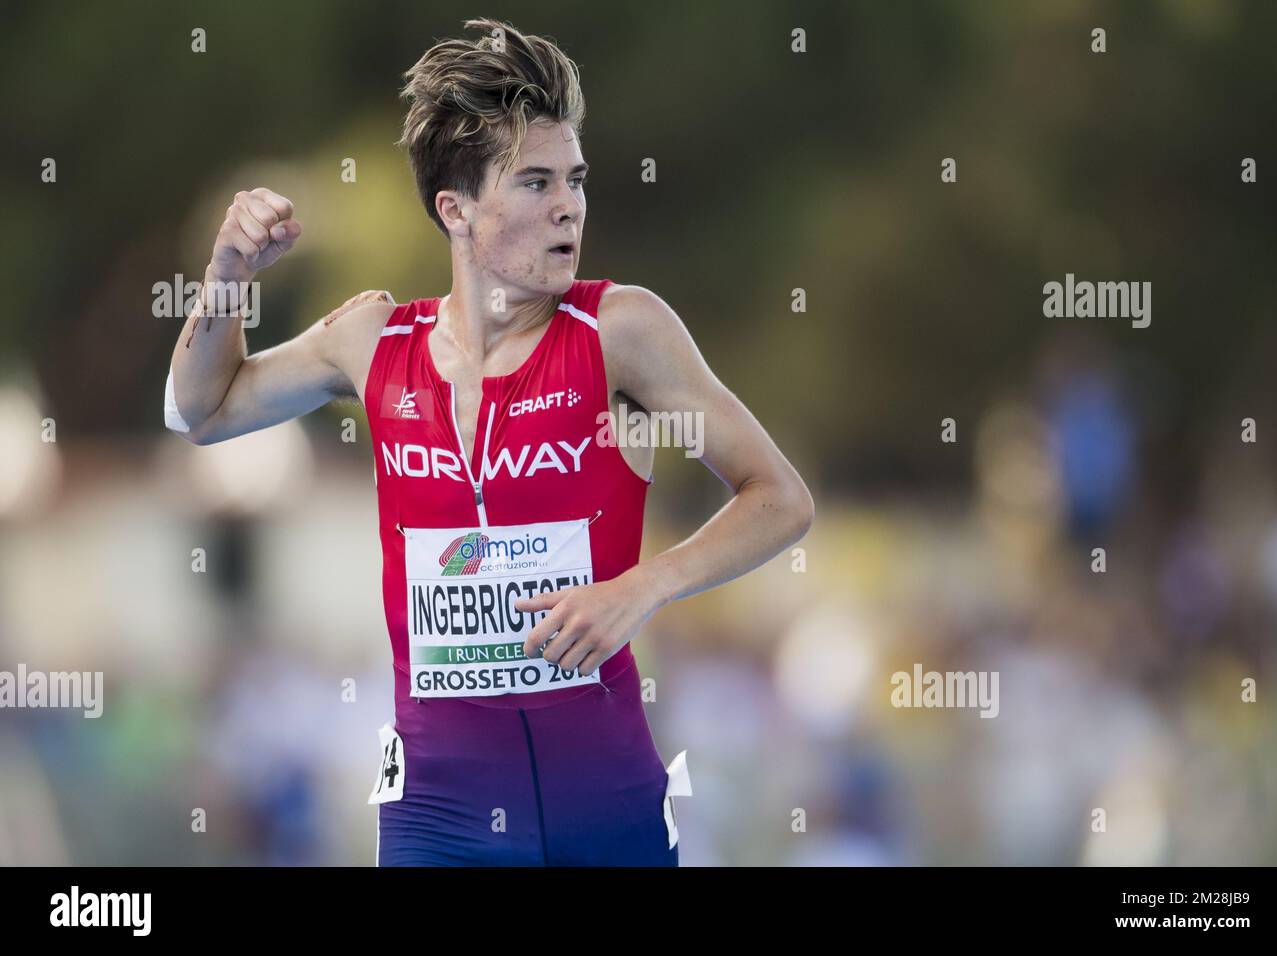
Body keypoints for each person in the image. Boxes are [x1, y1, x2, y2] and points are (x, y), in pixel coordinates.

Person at [164, 18, 814, 866]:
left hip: (605, 804)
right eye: (537, 182)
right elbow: (200, 410)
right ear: (457, 210)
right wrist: (226, 280)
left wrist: (645, 587)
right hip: (438, 817)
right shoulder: (372, 342)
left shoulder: (620, 330)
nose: (569, 206)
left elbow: (780, 499)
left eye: (576, 180)